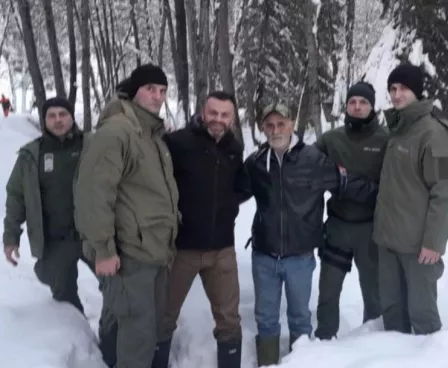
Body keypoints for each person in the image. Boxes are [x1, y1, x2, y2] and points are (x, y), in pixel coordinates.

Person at [240, 103, 378, 366]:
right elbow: (231, 193)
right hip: (264, 256)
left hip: (299, 259)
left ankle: (298, 362)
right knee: (266, 319)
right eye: (269, 125)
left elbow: (346, 184)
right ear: (262, 129)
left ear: (292, 124)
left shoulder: (312, 159)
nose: (275, 130)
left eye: (281, 124)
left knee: (300, 318)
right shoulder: (256, 163)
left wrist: (383, 196)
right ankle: (267, 363)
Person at [74, 64, 179, 368]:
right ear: (134, 92)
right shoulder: (118, 131)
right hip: (130, 252)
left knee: (137, 325)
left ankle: (108, 359)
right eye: (150, 89)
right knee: (139, 335)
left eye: (162, 91)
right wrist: (104, 249)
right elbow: (93, 194)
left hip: (154, 249)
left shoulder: (150, 135)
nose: (157, 96)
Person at [155, 91, 246, 368]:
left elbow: (237, 186)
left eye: (225, 114)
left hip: (222, 248)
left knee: (229, 319)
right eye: (213, 113)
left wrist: (228, 203)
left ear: (232, 118)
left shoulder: (233, 147)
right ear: (203, 113)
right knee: (163, 317)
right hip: (182, 248)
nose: (218, 119)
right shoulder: (177, 142)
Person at [372, 63, 448, 335]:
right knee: (393, 319)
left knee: (423, 320)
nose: (397, 95)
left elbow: (445, 193)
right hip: (389, 243)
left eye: (403, 88)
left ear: (417, 91)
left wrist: (434, 243)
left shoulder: (434, 133)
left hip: (417, 249)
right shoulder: (398, 128)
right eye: (393, 89)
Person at [3, 97, 91, 314]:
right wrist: (11, 237)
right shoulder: (31, 155)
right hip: (56, 239)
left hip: (95, 236)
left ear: (72, 117)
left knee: (116, 289)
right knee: (63, 296)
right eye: (51, 116)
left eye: (63, 114)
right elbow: (16, 197)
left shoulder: (91, 145)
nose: (58, 120)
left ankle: (112, 340)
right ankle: (78, 339)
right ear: (44, 120)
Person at [314, 82, 388, 340]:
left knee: (374, 294)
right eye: (352, 102)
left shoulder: (385, 141)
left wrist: (349, 184)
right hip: (338, 227)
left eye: (363, 102)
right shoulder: (331, 139)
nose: (357, 107)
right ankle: (324, 342)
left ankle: (373, 346)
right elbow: (311, 169)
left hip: (371, 231)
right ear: (346, 106)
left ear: (372, 106)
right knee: (328, 291)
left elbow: (392, 187)